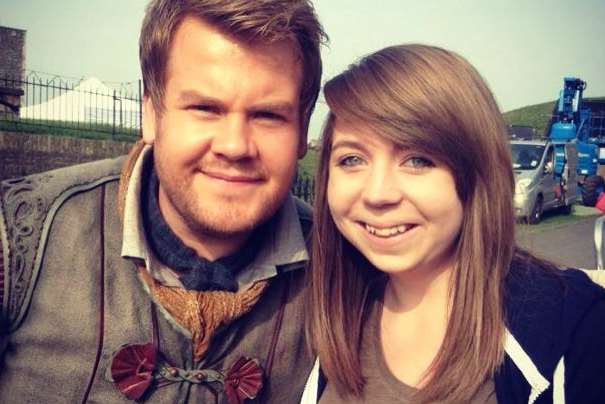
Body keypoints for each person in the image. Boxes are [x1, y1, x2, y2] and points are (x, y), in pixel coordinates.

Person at [0, 0, 326, 402]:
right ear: (151, 111)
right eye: (205, 108)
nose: (234, 145)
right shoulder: (15, 239)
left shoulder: (341, 270)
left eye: (268, 116)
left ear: (303, 128)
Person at [302, 44, 605, 403]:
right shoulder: (334, 312)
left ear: (477, 174)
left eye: (417, 160)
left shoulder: (578, 328)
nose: (377, 193)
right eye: (352, 159)